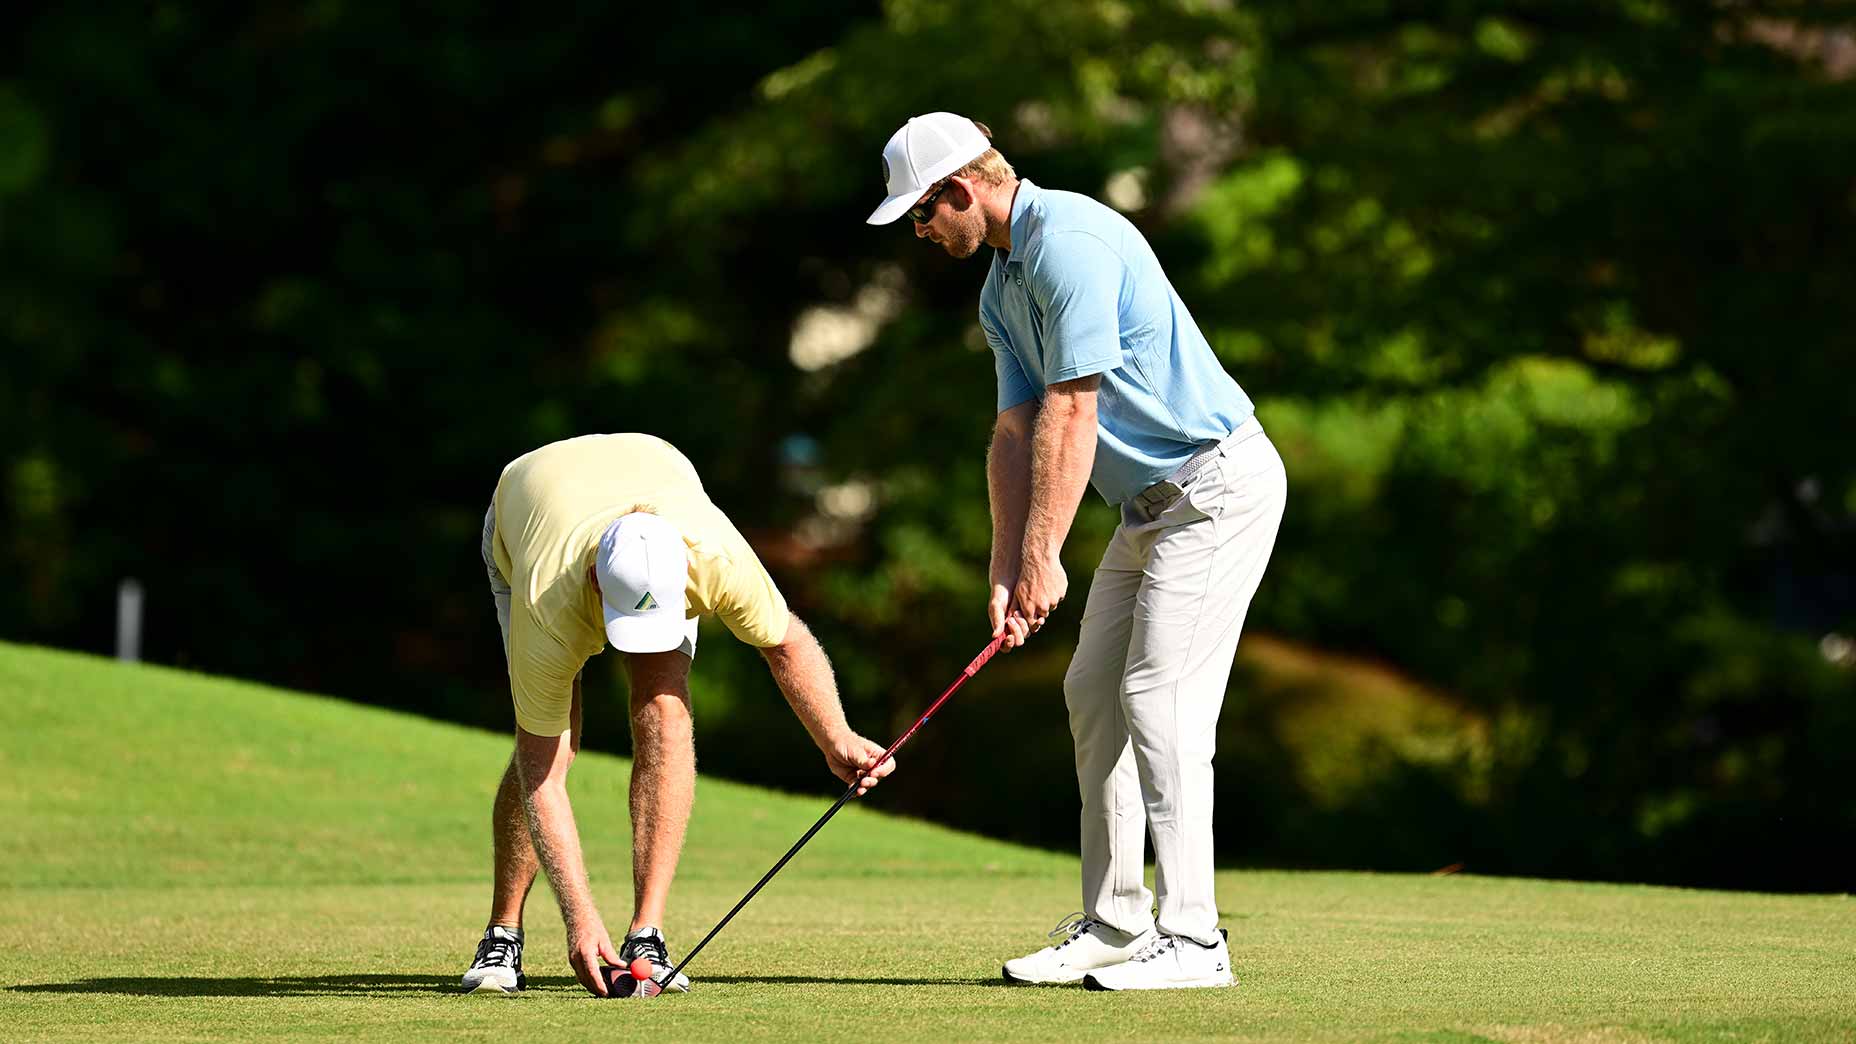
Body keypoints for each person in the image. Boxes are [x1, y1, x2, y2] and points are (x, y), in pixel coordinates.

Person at [867, 113, 1287, 991]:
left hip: (1216, 488)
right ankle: (1117, 920)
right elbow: (1015, 433)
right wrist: (1004, 568)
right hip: (1148, 508)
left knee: (1158, 698)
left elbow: (1072, 410)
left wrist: (1044, 556)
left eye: (919, 214)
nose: (919, 232)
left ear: (959, 190)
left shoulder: (1072, 242)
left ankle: (1197, 938)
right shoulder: (1000, 287)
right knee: (1093, 692)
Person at [460, 432, 895, 996]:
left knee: (664, 708)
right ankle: (504, 933)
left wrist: (836, 737)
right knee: (550, 743)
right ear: (596, 579)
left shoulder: (712, 558)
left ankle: (648, 933)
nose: (637, 647)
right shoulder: (550, 599)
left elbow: (787, 644)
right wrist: (579, 917)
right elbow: (541, 777)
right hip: (525, 510)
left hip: (656, 471)